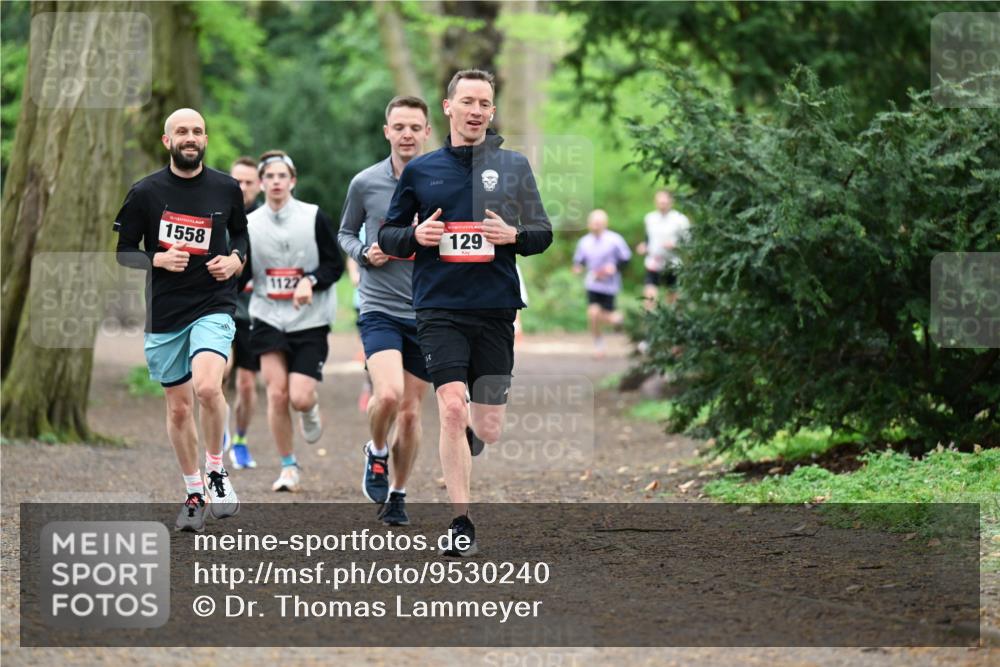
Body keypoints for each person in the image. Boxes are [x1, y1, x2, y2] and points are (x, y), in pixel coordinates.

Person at [378, 70, 552, 555]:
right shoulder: (422, 170)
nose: (477, 110)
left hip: (495, 307)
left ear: (492, 113)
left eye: (485, 104)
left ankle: (476, 434)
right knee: (452, 407)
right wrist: (416, 237)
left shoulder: (513, 166)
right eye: (468, 101)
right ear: (449, 107)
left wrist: (513, 237)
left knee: (487, 425)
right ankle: (461, 521)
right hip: (439, 306)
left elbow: (543, 233)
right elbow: (387, 235)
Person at [114, 108, 246, 532]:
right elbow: (123, 250)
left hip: (213, 302)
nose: (190, 138)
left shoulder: (226, 187)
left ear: (205, 138)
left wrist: (236, 260)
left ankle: (215, 469)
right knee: (177, 410)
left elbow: (241, 234)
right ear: (167, 140)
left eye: (197, 131)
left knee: (208, 386)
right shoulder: (146, 192)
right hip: (166, 310)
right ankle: (193, 493)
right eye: (181, 132)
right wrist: (157, 257)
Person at [339, 95, 434, 527]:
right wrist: (363, 253)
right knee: (389, 394)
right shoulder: (365, 183)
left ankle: (397, 493)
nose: (407, 134)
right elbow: (344, 233)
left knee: (412, 412)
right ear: (387, 132)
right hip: (379, 305)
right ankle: (376, 451)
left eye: (415, 127)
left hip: (429, 309)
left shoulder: (444, 182)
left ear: (427, 131)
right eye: (399, 127)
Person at [243, 150, 344, 493]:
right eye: (268, 177)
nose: (275, 182)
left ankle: (310, 409)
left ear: (292, 181)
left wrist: (310, 281)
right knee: (276, 393)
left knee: (299, 397)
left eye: (281, 176)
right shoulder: (249, 224)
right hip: (268, 314)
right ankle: (288, 466)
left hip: (310, 318)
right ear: (261, 184)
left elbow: (335, 265)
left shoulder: (314, 217)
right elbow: (240, 268)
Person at [224, 156, 262, 470]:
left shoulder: (266, 218)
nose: (243, 187)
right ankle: (219, 430)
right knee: (220, 372)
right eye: (238, 181)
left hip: (254, 312)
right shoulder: (217, 213)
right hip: (220, 308)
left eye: (250, 182)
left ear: (259, 185)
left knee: (247, 384)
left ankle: (239, 439)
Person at [572, 209, 632, 357]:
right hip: (592, 283)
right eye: (593, 223)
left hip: (609, 286)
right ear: (588, 224)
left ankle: (620, 320)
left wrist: (615, 267)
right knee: (592, 313)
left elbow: (626, 258)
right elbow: (579, 260)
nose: (596, 226)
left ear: (605, 223)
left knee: (608, 316)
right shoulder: (584, 242)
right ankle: (599, 345)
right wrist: (578, 267)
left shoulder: (615, 240)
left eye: (599, 223)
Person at [637, 189, 690, 309]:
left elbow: (689, 242)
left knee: (672, 297)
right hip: (653, 262)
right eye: (659, 202)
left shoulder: (680, 219)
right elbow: (648, 239)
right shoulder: (649, 218)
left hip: (673, 263)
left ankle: (671, 322)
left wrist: (675, 245)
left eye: (664, 202)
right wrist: (644, 246)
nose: (662, 205)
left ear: (671, 202)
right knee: (649, 294)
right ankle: (650, 322)